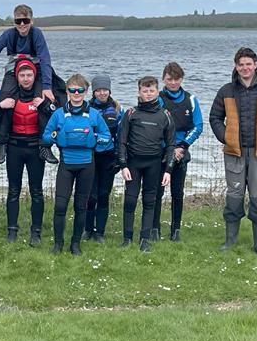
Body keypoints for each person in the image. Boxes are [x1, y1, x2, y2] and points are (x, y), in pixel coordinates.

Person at [209, 47, 257, 256]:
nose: (244, 68)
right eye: (240, 64)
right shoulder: (226, 90)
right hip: (234, 153)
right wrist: (225, 137)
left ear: (255, 65)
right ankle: (230, 241)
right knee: (234, 196)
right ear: (236, 67)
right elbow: (215, 118)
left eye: (248, 64)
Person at [43, 74, 111, 255]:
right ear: (67, 91)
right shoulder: (59, 114)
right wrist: (57, 135)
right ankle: (58, 244)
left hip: (87, 164)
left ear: (86, 92)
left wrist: (94, 138)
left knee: (81, 206)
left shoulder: (94, 114)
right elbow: (46, 136)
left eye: (80, 90)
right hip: (66, 164)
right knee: (60, 206)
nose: (76, 93)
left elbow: (107, 137)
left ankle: (75, 244)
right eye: (72, 90)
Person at [0, 59, 53, 245]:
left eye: (29, 75)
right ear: (16, 77)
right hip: (15, 147)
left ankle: (36, 232)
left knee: (36, 191)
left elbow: (56, 119)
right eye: (22, 75)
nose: (26, 79)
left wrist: (44, 105)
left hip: (35, 148)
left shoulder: (42, 97)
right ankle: (12, 231)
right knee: (13, 190)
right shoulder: (8, 97)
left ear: (35, 77)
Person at [0, 4, 59, 165]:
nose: (22, 25)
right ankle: (2, 143)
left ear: (31, 21)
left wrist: (47, 86)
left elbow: (45, 59)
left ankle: (45, 145)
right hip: (14, 68)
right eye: (18, 21)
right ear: (14, 21)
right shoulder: (8, 35)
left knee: (42, 101)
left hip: (36, 69)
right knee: (5, 101)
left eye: (25, 20)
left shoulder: (37, 34)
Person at [117, 76, 175, 253]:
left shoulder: (165, 115)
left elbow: (171, 144)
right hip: (133, 164)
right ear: (139, 92)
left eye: (151, 91)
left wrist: (168, 170)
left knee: (150, 202)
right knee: (130, 200)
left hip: (154, 164)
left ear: (157, 92)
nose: (148, 94)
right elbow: (122, 141)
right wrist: (123, 165)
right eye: (145, 91)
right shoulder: (131, 113)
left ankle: (144, 240)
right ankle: (127, 239)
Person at [152, 62, 203, 242]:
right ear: (164, 79)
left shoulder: (191, 100)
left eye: (176, 79)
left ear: (181, 79)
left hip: (182, 151)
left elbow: (198, 126)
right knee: (157, 191)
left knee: (177, 192)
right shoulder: (157, 98)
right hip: (161, 151)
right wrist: (168, 148)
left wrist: (182, 147)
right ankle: (154, 228)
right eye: (169, 79)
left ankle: (176, 230)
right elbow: (154, 125)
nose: (173, 83)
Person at [84, 74, 124, 243]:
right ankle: (88, 230)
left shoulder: (117, 109)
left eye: (105, 90)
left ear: (109, 90)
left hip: (108, 158)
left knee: (103, 195)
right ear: (93, 92)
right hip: (91, 156)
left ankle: (100, 232)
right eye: (98, 90)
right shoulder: (86, 108)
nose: (102, 93)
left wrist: (119, 159)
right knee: (90, 196)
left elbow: (122, 135)